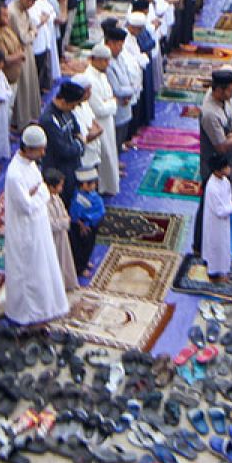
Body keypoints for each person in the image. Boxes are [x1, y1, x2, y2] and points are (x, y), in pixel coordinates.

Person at [3, 125, 70, 325]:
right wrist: (42, 192)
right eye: (40, 149)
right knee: (29, 273)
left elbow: (38, 190)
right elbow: (27, 205)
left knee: (43, 268)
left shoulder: (31, 165)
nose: (43, 153)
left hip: (38, 225)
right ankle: (28, 314)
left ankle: (46, 307)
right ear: (28, 148)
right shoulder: (15, 174)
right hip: (25, 231)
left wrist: (39, 191)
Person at [199, 68, 232, 212]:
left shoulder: (222, 99)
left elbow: (230, 119)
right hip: (214, 167)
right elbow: (221, 146)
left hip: (224, 163)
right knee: (210, 206)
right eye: (231, 91)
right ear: (219, 90)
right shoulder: (210, 114)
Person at [39, 79, 86, 206]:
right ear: (64, 101)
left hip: (73, 166)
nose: (74, 108)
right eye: (73, 105)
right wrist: (79, 144)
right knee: (62, 205)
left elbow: (78, 131)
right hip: (59, 170)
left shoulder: (68, 111)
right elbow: (64, 150)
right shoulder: (48, 120)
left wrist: (78, 144)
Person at [84, 45, 120, 194]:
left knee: (110, 153)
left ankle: (109, 184)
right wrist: (113, 103)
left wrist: (110, 103)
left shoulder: (102, 75)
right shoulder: (89, 79)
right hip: (99, 122)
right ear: (94, 60)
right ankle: (103, 186)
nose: (107, 64)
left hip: (107, 121)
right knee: (104, 154)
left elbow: (109, 99)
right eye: (104, 61)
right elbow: (99, 108)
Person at [8, 0, 43, 128]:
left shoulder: (24, 10)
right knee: (22, 86)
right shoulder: (13, 12)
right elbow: (23, 36)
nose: (31, 6)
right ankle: (19, 120)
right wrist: (33, 33)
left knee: (29, 82)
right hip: (18, 51)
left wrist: (32, 32)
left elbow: (32, 25)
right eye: (31, 2)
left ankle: (30, 116)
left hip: (27, 51)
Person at [201, 152, 232, 281]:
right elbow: (220, 210)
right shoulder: (212, 188)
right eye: (226, 166)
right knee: (216, 245)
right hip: (216, 222)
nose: (229, 168)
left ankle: (221, 268)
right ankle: (214, 273)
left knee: (223, 245)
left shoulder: (225, 181)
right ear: (218, 169)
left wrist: (230, 206)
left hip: (224, 220)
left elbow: (228, 197)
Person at [44, 168, 79, 291]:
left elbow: (64, 212)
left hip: (61, 235)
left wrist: (65, 220)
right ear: (51, 187)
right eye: (60, 185)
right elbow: (49, 223)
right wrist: (64, 222)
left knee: (64, 260)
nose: (61, 188)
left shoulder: (56, 197)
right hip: (52, 238)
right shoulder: (43, 203)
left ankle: (66, 283)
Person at [104, 26, 136, 156]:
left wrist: (130, 90)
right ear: (110, 43)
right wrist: (131, 90)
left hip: (125, 102)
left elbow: (127, 75)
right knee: (115, 136)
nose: (121, 48)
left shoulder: (120, 57)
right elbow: (116, 89)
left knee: (122, 133)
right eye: (118, 45)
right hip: (118, 104)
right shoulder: (107, 62)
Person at [68, 166, 105, 277]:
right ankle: (80, 267)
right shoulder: (79, 198)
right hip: (84, 226)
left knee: (89, 245)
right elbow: (74, 214)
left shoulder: (92, 194)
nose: (95, 186)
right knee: (81, 247)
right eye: (92, 183)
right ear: (84, 185)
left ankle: (85, 261)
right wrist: (82, 225)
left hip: (93, 224)